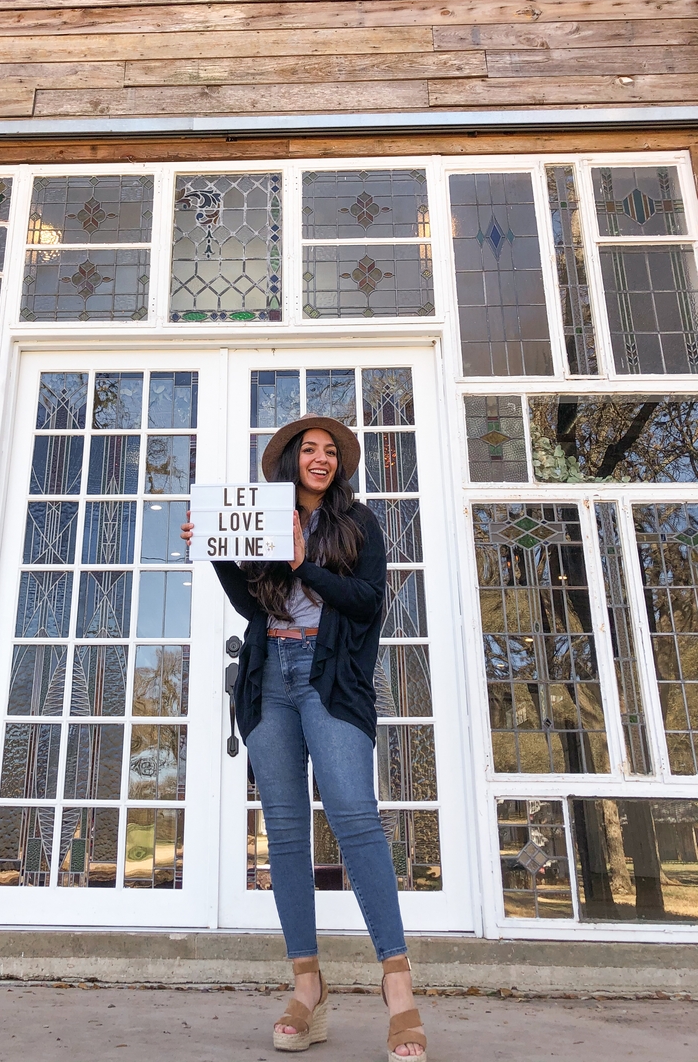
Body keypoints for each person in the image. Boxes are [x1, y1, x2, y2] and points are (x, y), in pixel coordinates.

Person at [181, 414, 427, 1060]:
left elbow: (369, 601)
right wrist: (216, 551)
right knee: (285, 831)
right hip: (271, 678)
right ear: (292, 461)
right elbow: (252, 604)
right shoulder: (264, 516)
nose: (319, 459)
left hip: (329, 677)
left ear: (338, 466)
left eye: (329, 452)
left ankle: (398, 990)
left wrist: (305, 567)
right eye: (308, 450)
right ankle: (307, 986)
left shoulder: (360, 523)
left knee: (355, 817)